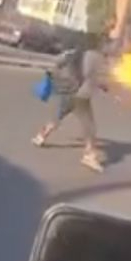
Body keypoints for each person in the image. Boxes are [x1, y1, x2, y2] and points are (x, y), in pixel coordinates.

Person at [32, 35, 112, 172]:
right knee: (90, 126)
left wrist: (58, 76)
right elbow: (93, 77)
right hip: (80, 95)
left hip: (68, 90)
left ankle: (40, 136)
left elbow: (57, 63)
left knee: (59, 115)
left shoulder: (74, 53)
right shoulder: (95, 57)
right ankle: (89, 155)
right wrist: (103, 86)